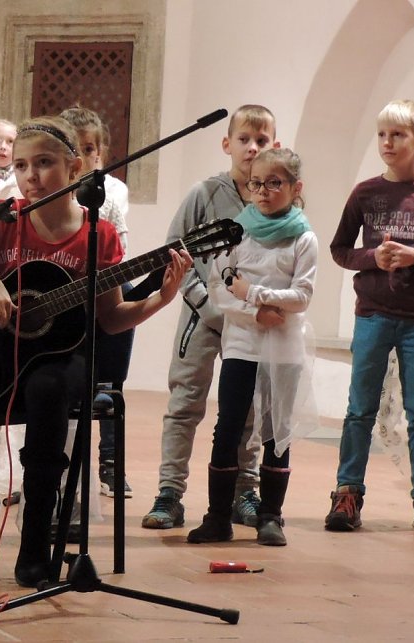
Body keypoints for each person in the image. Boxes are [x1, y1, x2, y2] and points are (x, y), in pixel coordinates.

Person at [0, 115, 191, 587]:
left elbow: (111, 319)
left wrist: (159, 299)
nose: (31, 175)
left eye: (46, 163)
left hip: (55, 362)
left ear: (74, 168)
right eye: (24, 165)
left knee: (49, 387)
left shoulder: (99, 235)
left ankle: (34, 548)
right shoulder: (5, 219)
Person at [141, 105, 278, 530]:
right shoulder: (204, 193)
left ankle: (244, 491)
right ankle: (169, 493)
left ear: (274, 144)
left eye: (261, 140)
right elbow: (173, 252)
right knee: (185, 403)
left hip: (250, 324)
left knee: (248, 410)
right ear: (227, 144)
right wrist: (203, 302)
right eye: (244, 139)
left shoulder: (273, 199)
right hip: (202, 317)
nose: (252, 148)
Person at [186, 148, 317, 546]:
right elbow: (218, 289)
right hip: (242, 343)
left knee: (277, 433)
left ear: (296, 188)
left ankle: (271, 517)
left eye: (274, 183)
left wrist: (253, 291)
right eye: (256, 183)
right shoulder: (235, 231)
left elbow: (302, 296)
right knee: (228, 430)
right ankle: (217, 518)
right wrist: (255, 310)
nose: (262, 191)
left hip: (284, 348)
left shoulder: (303, 237)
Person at [325, 99, 414, 535]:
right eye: (382, 134)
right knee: (359, 410)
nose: (387, 143)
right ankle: (347, 494)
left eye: (398, 135)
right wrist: (375, 257)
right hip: (372, 315)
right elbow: (340, 250)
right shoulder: (365, 193)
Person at [60, 105, 133, 499]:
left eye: (91, 149)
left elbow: (118, 253)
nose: (85, 157)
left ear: (100, 154)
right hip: (57, 314)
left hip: (97, 306)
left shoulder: (112, 196)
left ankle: (108, 462)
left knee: (106, 380)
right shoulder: (39, 198)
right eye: (76, 148)